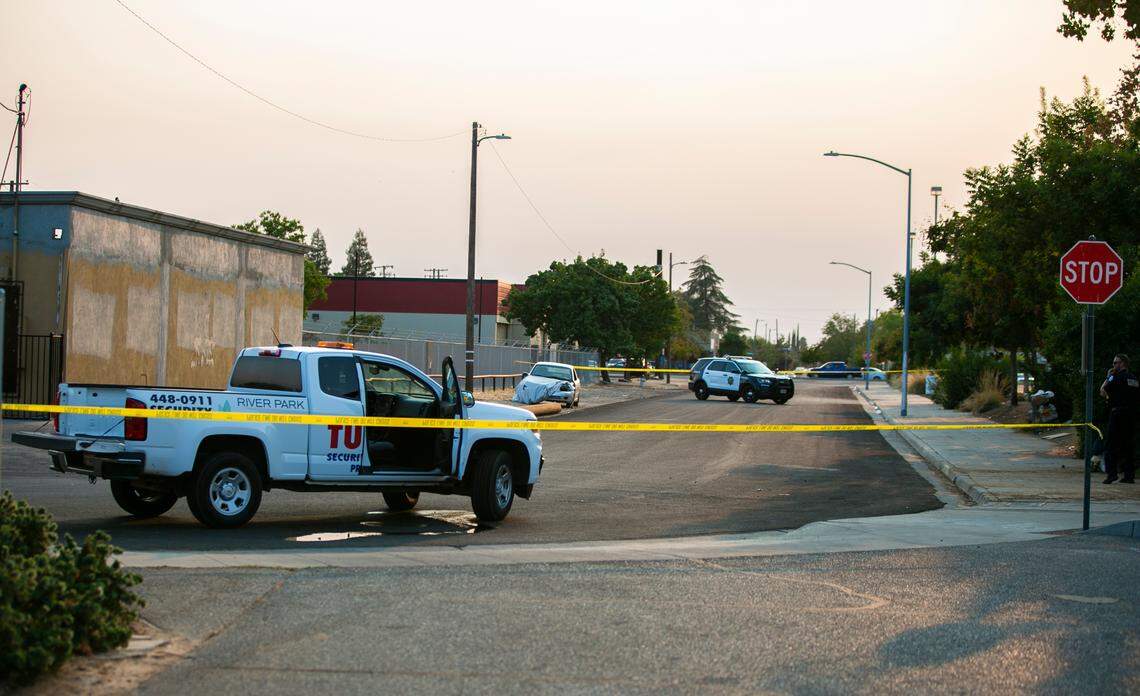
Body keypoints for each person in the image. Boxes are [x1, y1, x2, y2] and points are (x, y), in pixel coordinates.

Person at [1099, 353, 1139, 484]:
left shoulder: (1115, 377)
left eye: (1115, 363)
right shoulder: (1133, 378)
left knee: (1110, 445)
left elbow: (1103, 390)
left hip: (1117, 414)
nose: (1113, 365)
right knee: (1128, 445)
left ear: (1122, 363)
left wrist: (1109, 376)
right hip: (1131, 415)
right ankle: (1129, 475)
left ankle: (1112, 474)